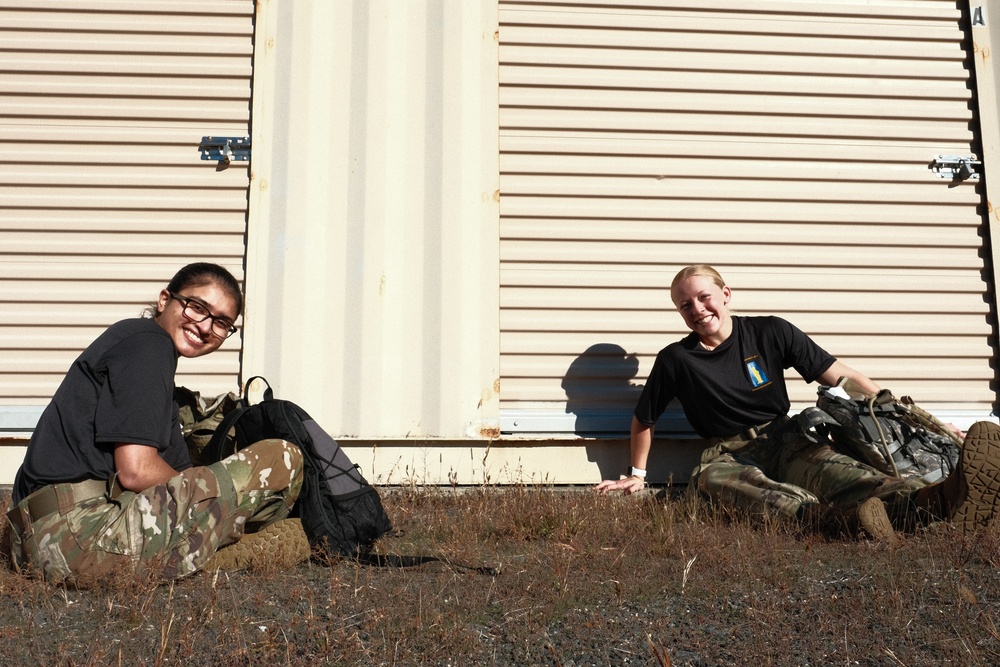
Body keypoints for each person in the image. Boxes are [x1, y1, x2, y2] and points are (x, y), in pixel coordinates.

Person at [595, 264, 1000, 540]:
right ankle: (835, 523)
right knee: (717, 483)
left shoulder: (771, 332)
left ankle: (940, 501)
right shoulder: (676, 359)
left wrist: (921, 421)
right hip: (727, 453)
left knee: (850, 478)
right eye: (686, 305)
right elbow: (644, 418)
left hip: (787, 438)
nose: (698, 310)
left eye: (704, 297)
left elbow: (844, 377)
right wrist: (637, 474)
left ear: (726, 293)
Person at [6, 263, 304, 583]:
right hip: (78, 538)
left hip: (33, 542)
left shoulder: (153, 370)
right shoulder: (147, 342)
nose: (205, 326)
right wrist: (215, 501)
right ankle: (227, 553)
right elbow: (136, 470)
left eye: (221, 323)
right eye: (197, 307)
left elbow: (180, 475)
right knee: (282, 456)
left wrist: (203, 495)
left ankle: (208, 548)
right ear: (165, 300)